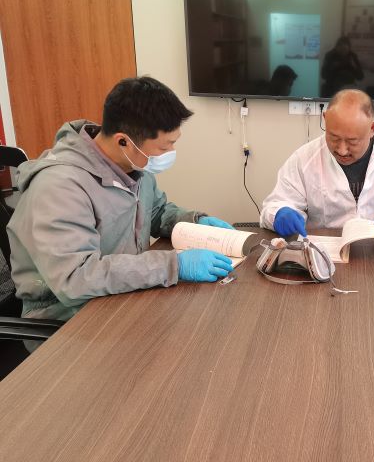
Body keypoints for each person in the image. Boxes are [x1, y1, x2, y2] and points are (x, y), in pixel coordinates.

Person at [8, 76, 235, 325]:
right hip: (65, 318)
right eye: (164, 147)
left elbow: (155, 212)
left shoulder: (133, 165)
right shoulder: (58, 187)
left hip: (120, 294)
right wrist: (174, 266)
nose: (170, 154)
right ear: (123, 141)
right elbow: (75, 278)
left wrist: (194, 222)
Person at [259, 89, 374, 241]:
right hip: (325, 254)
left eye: (352, 142)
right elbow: (273, 206)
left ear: (372, 129)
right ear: (325, 118)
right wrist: (279, 213)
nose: (342, 150)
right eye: (333, 138)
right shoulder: (305, 158)